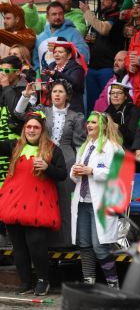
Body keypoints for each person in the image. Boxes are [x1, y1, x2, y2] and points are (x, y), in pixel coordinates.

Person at [0, 112, 67, 296]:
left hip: (38, 205)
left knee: (36, 243)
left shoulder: (53, 149)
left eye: (35, 127)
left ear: (42, 130)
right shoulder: (15, 146)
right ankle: (25, 282)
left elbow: (62, 174)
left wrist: (48, 167)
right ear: (24, 129)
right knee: (18, 246)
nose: (31, 130)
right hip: (13, 203)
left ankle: (43, 280)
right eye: (28, 127)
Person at [15, 79, 86, 247]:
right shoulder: (42, 111)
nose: (57, 95)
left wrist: (79, 163)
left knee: (64, 201)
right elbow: (18, 114)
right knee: (43, 198)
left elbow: (79, 143)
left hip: (67, 160)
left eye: (61, 92)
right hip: (43, 156)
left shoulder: (76, 116)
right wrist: (25, 96)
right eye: (54, 91)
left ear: (67, 95)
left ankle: (67, 242)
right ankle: (45, 242)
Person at [70, 112, 123, 288]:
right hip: (83, 201)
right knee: (84, 244)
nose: (89, 125)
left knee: (100, 246)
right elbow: (76, 173)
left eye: (93, 122)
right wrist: (75, 171)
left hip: (101, 203)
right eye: (88, 122)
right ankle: (89, 282)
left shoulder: (114, 147)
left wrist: (92, 171)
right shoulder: (85, 146)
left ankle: (112, 283)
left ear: (103, 125)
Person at [79, 0, 125, 112]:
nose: (102, 2)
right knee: (91, 104)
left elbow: (104, 29)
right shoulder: (100, 18)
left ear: (114, 3)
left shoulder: (117, 18)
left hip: (107, 67)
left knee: (107, 103)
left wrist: (87, 12)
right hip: (93, 67)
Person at [32, 2, 89, 71]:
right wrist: (38, 75)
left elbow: (84, 56)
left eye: (60, 14)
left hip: (68, 79)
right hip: (44, 80)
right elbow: (36, 61)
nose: (58, 17)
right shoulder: (40, 38)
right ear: (47, 17)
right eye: (54, 14)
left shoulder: (74, 33)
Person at [0, 56, 27, 187]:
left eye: (6, 71)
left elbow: (17, 112)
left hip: (14, 143)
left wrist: (6, 87)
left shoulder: (25, 89)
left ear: (17, 72)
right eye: (0, 70)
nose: (2, 74)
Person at [43, 41, 86, 113]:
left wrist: (56, 74)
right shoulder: (51, 67)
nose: (56, 54)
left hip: (71, 110)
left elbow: (75, 84)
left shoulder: (77, 69)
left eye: (60, 52)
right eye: (55, 52)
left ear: (69, 56)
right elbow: (45, 84)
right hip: (53, 108)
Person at [22, 0, 87, 35]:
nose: (68, 0)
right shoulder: (46, 16)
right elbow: (34, 26)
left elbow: (79, 31)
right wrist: (30, 9)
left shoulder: (77, 15)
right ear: (57, 0)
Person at [104, 82, 140, 149]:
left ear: (126, 96)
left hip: (126, 149)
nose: (115, 96)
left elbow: (132, 137)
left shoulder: (133, 111)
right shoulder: (107, 112)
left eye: (119, 93)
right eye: (112, 93)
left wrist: (117, 127)